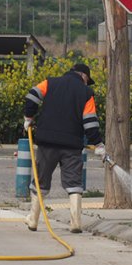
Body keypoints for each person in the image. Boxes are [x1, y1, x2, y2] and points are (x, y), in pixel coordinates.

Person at [23, 63, 105, 233]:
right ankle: (75, 223)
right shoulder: (86, 93)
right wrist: (98, 144)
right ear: (84, 76)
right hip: (72, 146)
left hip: (47, 143)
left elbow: (31, 96)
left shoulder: (50, 82)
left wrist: (28, 117)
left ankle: (33, 220)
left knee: (40, 180)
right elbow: (90, 122)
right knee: (74, 183)